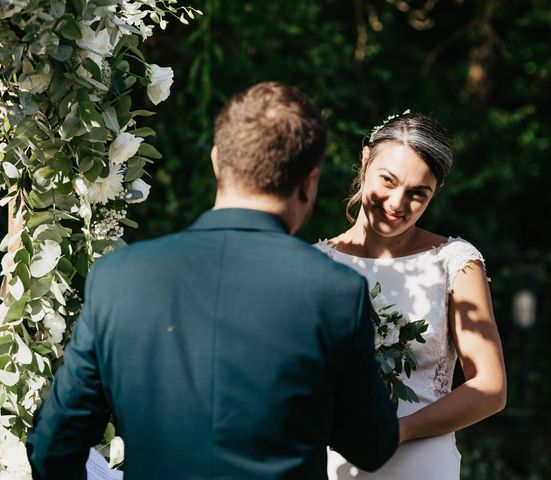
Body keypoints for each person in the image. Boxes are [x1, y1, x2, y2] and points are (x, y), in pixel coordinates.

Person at [27, 82, 399, 479]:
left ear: (217, 161)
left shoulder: (119, 278)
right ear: (309, 182)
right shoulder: (336, 291)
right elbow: (373, 446)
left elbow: (54, 448)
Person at [318, 111, 507, 479]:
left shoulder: (455, 262)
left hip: (422, 463)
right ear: (365, 159)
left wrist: (398, 431)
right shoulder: (315, 263)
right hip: (333, 463)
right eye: (388, 181)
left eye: (418, 194)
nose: (396, 203)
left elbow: (491, 386)